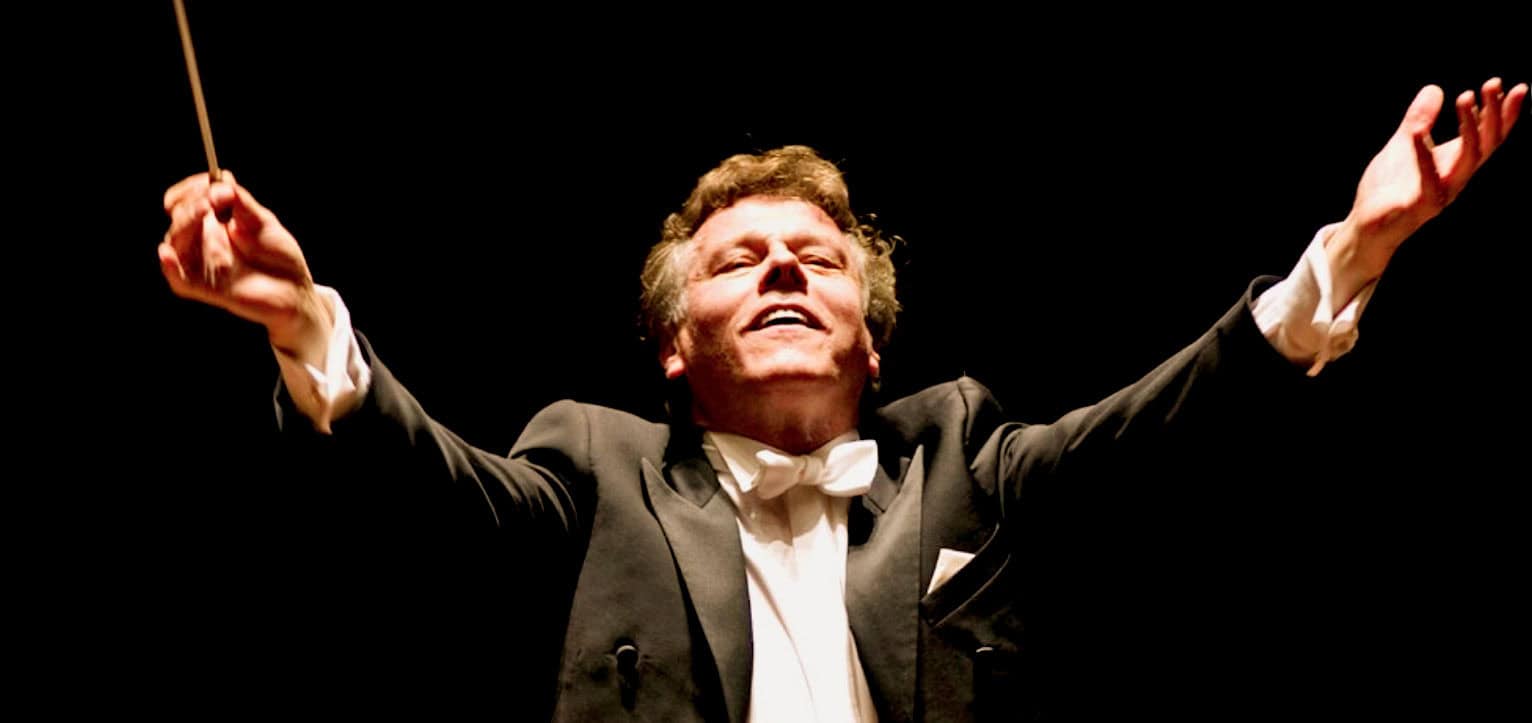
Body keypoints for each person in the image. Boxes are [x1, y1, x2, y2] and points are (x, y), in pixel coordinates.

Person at [158, 80, 1523, 721]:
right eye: (738, 264)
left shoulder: (967, 453)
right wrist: (299, 317)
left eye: (815, 262)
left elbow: (1164, 434)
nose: (783, 276)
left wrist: (1354, 249)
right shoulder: (594, 463)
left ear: (873, 344)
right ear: (674, 349)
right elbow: (430, 489)